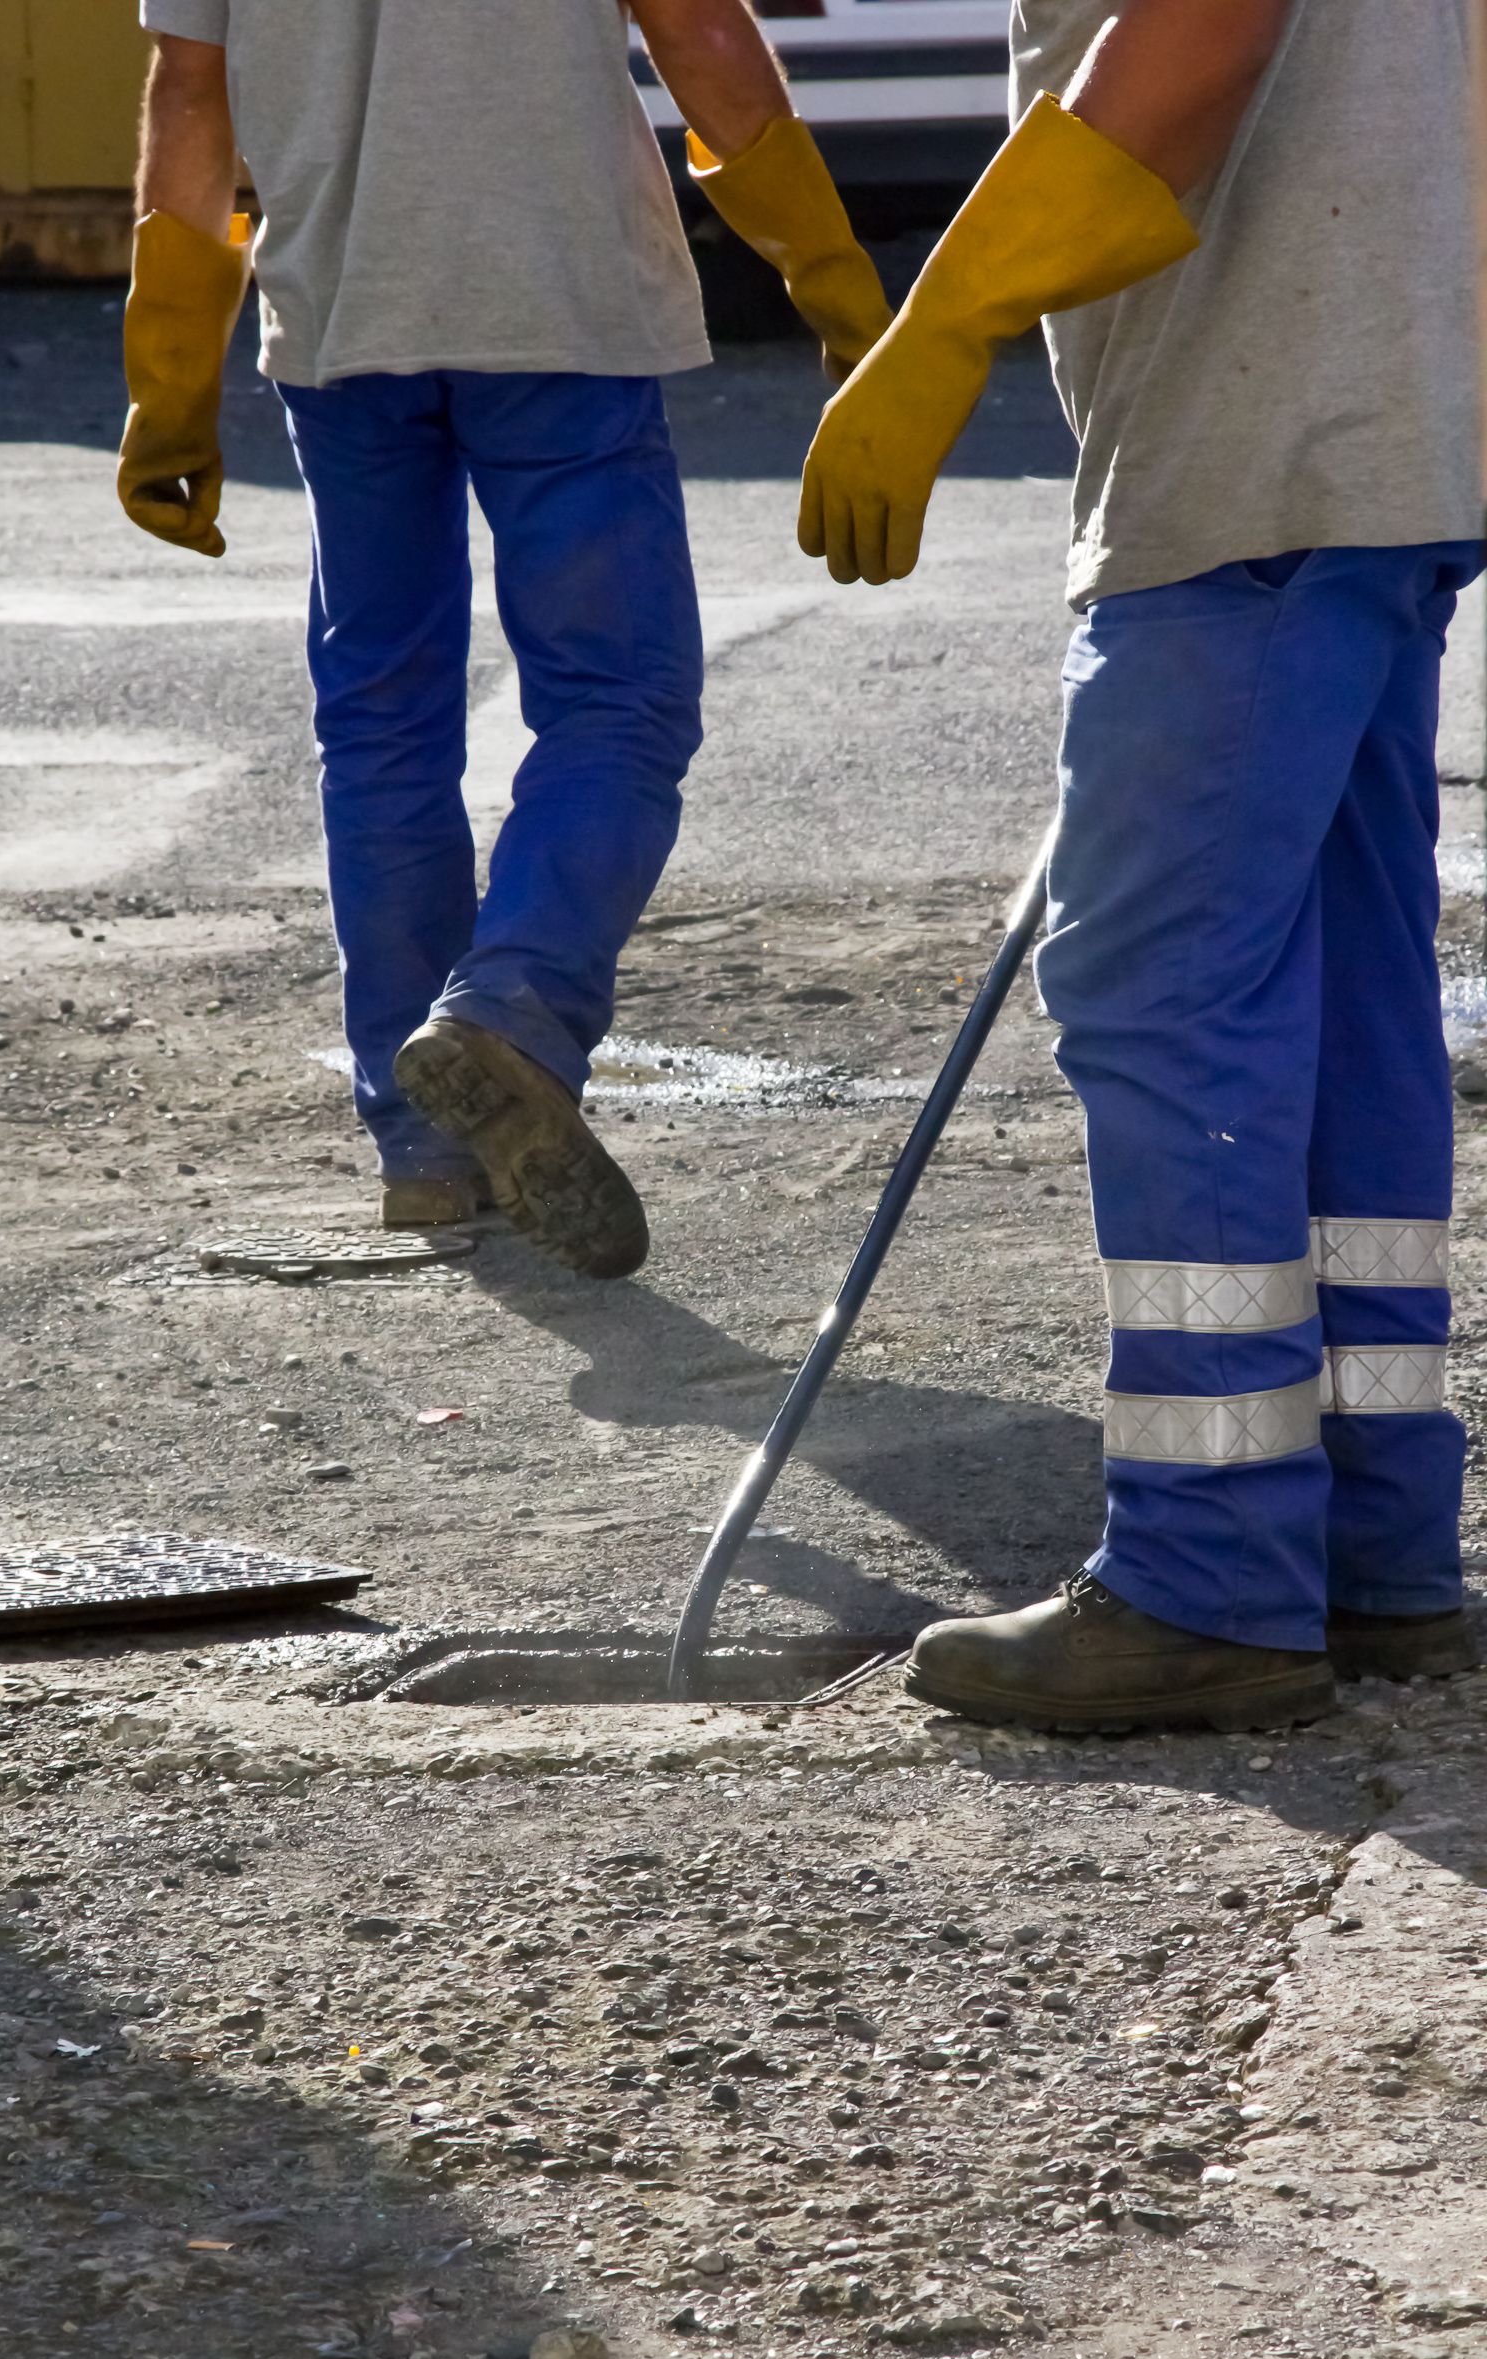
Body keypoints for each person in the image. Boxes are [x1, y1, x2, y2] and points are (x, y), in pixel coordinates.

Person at [799, 0, 1484, 1729]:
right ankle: (1373, 1546)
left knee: (1167, 998)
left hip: (1251, 449)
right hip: (1388, 424)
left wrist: (940, 326)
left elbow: (1195, 36)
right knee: (1341, 987)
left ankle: (1210, 1574)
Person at [118, 0, 889, 1276]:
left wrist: (170, 380)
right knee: (618, 707)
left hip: (343, 319)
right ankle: (512, 1017)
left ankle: (425, 1150)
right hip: (560, 306)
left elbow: (191, 91)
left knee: (380, 726)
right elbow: (697, 27)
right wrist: (833, 276)